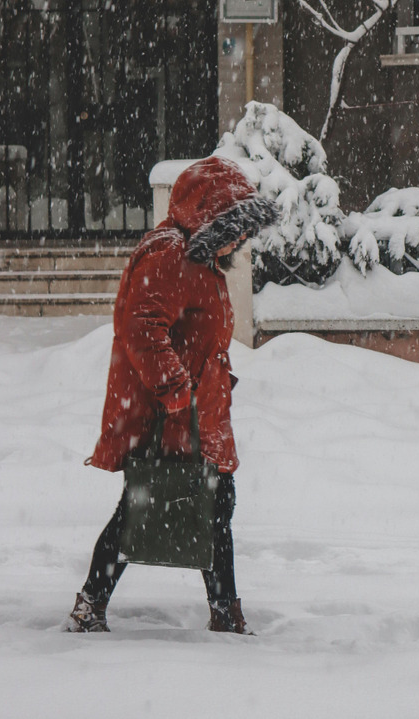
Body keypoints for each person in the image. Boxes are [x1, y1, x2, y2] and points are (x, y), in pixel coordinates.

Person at [65, 156, 279, 634]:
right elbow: (141, 327)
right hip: (177, 418)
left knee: (207, 505)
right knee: (152, 509)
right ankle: (98, 605)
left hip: (201, 414)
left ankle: (218, 611)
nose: (240, 241)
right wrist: (178, 392)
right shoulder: (171, 255)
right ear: (211, 222)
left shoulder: (198, 259)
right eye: (235, 230)